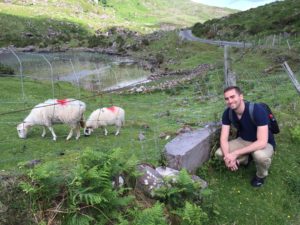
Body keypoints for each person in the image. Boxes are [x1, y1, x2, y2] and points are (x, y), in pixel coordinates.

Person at [215, 86, 275, 187]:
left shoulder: (257, 110)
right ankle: (246, 159)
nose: (230, 101)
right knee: (219, 153)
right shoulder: (227, 113)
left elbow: (262, 142)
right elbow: (223, 138)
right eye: (226, 98)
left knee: (260, 156)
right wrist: (227, 157)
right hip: (243, 140)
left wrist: (235, 153)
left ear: (241, 96)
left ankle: (261, 175)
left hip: (264, 143)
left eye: (232, 97)